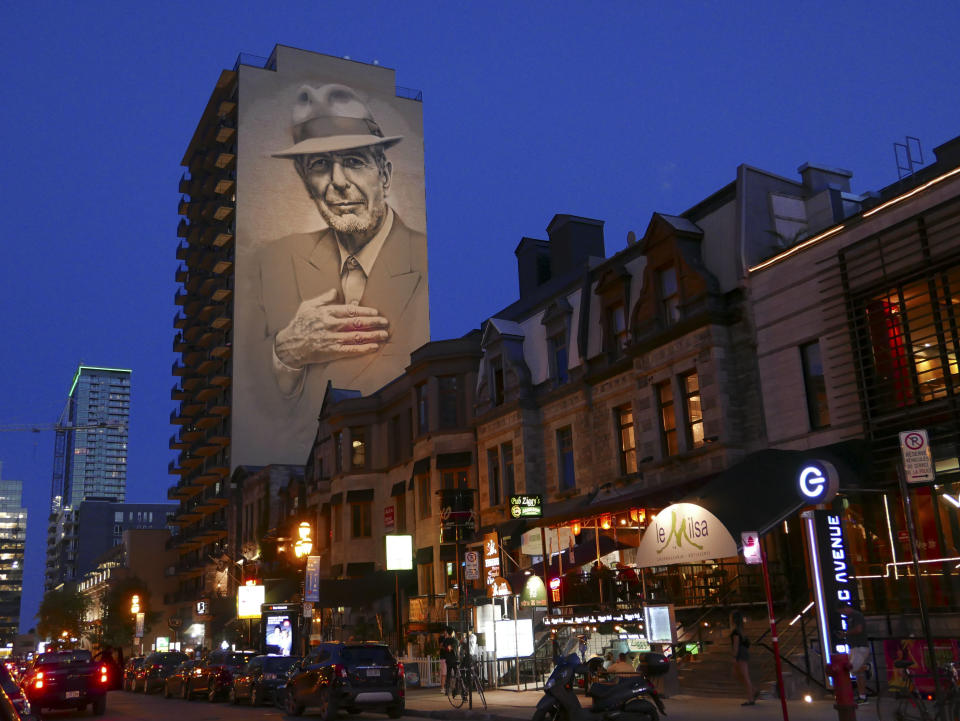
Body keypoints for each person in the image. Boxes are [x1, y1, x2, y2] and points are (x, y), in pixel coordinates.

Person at [253, 82, 429, 426]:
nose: (338, 181)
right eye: (320, 165)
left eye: (353, 161)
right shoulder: (272, 260)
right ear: (307, 184)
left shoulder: (422, 261)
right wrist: (285, 353)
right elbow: (256, 399)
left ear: (386, 176)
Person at [838, 602, 870, 704]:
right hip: (854, 647)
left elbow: (859, 629)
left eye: (842, 611)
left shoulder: (856, 615)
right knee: (857, 673)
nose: (842, 613)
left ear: (846, 608)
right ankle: (862, 696)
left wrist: (846, 633)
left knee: (852, 668)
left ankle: (867, 667)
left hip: (859, 646)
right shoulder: (850, 617)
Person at [730, 611, 757, 706]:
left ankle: (751, 699)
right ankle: (753, 690)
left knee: (745, 676)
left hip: (740, 653)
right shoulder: (741, 631)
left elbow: (736, 645)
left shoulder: (736, 631)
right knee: (737, 674)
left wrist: (734, 657)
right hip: (743, 652)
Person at [439, 627, 459, 696]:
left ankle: (447, 691)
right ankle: (456, 689)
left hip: (448, 660)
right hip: (454, 660)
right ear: (452, 632)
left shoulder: (445, 640)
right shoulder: (455, 640)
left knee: (448, 675)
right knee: (457, 675)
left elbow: (443, 647)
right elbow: (453, 649)